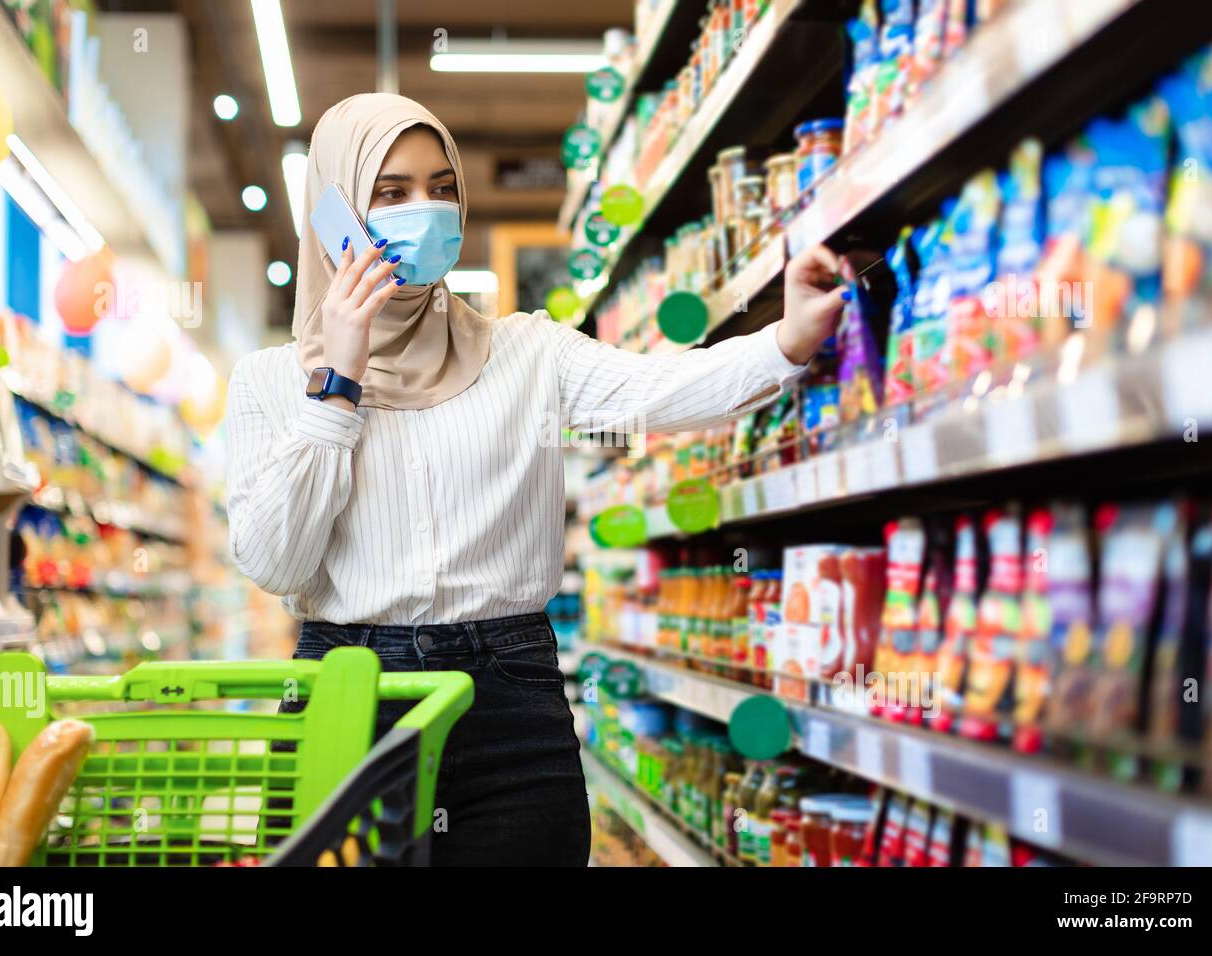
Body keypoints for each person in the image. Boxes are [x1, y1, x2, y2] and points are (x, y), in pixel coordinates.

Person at [226, 93, 849, 866]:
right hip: (346, 697)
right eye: (392, 193)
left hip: (509, 700)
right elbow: (274, 561)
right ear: (335, 214)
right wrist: (339, 383)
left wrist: (787, 339)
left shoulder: (527, 352)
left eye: (441, 187)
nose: (427, 210)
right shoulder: (267, 383)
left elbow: (655, 391)